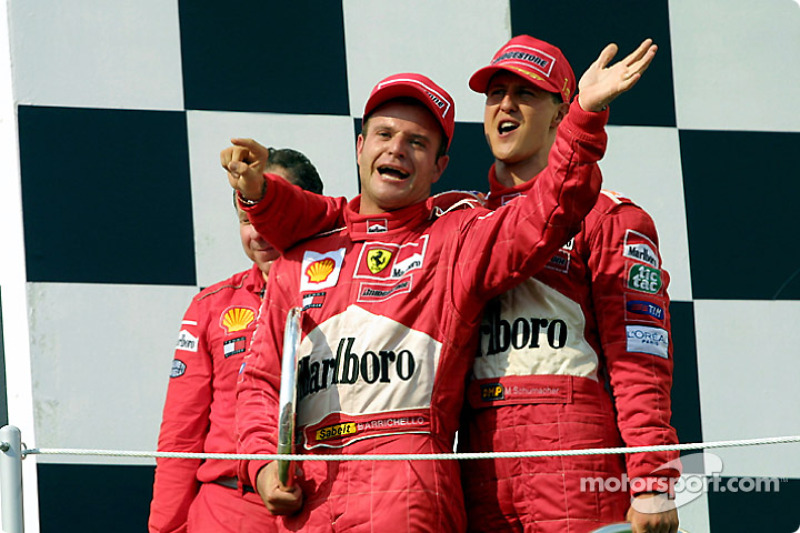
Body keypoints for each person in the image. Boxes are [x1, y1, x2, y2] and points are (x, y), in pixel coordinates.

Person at [228, 42, 654, 531]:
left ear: (439, 168)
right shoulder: (301, 255)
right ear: (359, 146)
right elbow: (260, 385)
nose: (396, 150)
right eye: (384, 134)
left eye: (417, 143)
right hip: (312, 498)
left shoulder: (457, 234)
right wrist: (262, 469)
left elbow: (546, 214)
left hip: (412, 496)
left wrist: (584, 116)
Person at [458, 35, 680, 533]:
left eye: (526, 94)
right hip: (481, 467)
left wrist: (654, 480)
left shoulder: (612, 219)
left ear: (562, 115)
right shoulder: (460, 222)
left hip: (577, 462)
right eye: (496, 93)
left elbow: (640, 362)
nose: (505, 105)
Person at [148, 148, 323, 533]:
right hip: (229, 511)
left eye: (269, 214)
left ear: (308, 211)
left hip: (324, 506)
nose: (258, 231)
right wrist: (167, 529)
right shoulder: (211, 306)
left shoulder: (351, 293)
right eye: (245, 218)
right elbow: (181, 436)